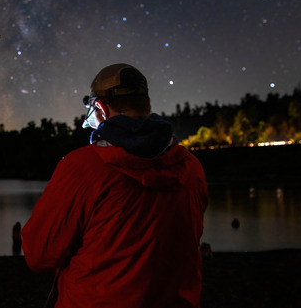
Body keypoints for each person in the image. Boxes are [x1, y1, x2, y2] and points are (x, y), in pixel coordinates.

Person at [22, 63, 208, 307]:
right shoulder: (192, 168)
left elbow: (39, 254)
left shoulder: (81, 167)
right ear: (147, 106)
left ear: (99, 107)